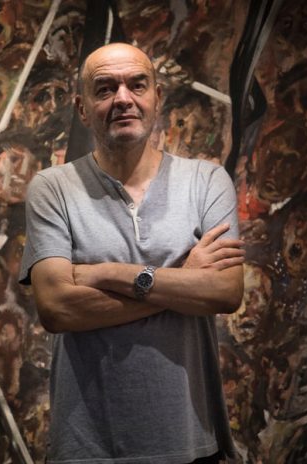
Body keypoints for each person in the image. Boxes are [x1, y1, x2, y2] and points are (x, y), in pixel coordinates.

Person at [19, 43, 245, 463]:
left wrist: (104, 273)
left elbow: (225, 292)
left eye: (137, 85)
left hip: (191, 442)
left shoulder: (207, 182)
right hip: (89, 448)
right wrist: (182, 280)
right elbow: (57, 309)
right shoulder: (53, 189)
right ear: (82, 109)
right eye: (105, 88)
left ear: (157, 97)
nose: (123, 98)